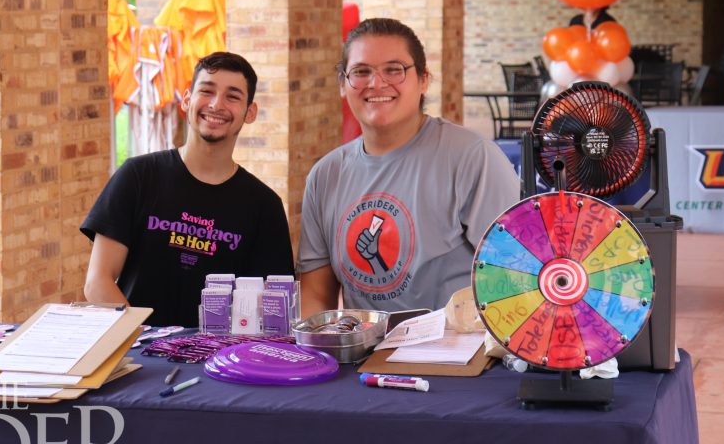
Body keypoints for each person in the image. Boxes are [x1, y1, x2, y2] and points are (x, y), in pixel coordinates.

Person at [298, 18, 520, 316]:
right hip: (365, 355)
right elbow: (316, 294)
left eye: (394, 69)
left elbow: (515, 277)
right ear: (342, 84)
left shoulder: (473, 158)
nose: (377, 83)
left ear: (424, 79)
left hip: (458, 354)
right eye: (361, 72)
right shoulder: (326, 175)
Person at [81, 52, 294, 326]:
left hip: (220, 361)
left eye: (233, 96)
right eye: (206, 91)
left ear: (249, 112)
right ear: (186, 100)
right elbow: (97, 283)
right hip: (138, 351)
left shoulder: (264, 206)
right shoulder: (137, 176)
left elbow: (271, 308)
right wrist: (142, 341)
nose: (216, 104)